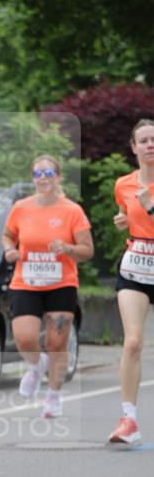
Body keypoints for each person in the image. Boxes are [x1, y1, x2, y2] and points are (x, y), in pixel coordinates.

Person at [2, 155, 94, 417]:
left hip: (61, 284)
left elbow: (87, 250)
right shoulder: (21, 207)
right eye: (38, 174)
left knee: (57, 342)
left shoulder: (72, 211)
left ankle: (53, 396)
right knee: (24, 337)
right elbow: (8, 235)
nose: (43, 178)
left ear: (58, 177)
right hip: (26, 282)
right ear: (33, 178)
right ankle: (36, 365)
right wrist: (10, 249)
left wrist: (67, 248)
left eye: (49, 173)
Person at [109, 118, 154, 445]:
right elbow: (128, 216)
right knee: (133, 342)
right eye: (144, 140)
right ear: (134, 147)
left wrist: (150, 206)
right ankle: (129, 420)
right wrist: (125, 220)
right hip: (136, 266)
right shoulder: (123, 184)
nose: (150, 145)